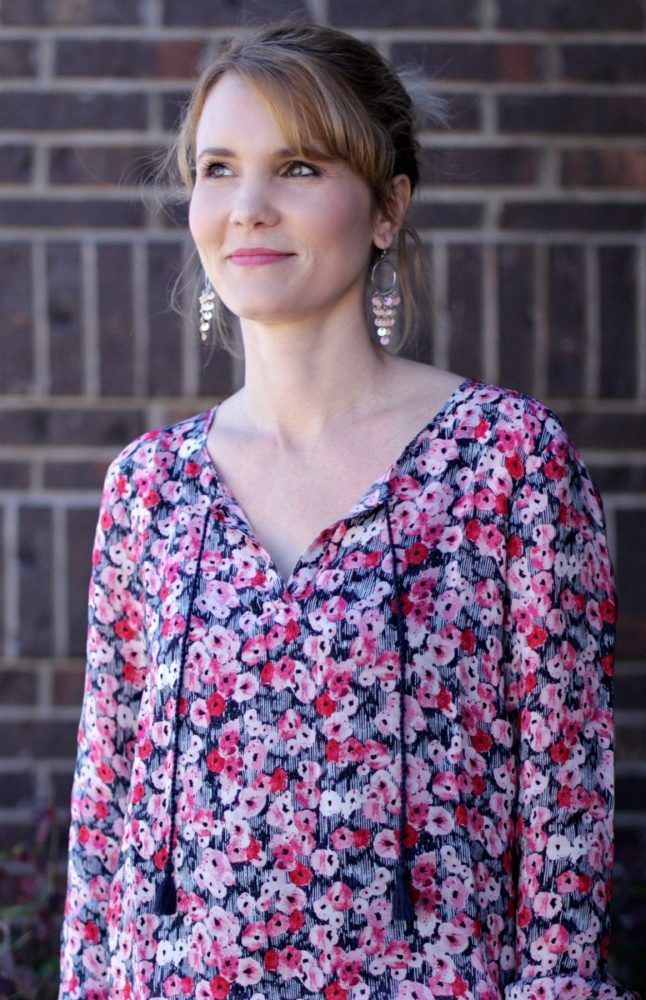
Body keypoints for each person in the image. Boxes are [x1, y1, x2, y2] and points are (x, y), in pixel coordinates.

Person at [58, 22, 639, 1000]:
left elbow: (565, 815)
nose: (248, 206)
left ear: (386, 207)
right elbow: (105, 814)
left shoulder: (505, 463)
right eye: (218, 168)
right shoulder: (149, 487)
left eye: (297, 167)